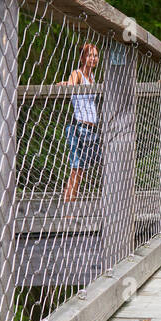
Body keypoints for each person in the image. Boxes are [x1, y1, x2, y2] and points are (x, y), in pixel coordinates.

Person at [62, 42, 100, 203]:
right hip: (79, 127)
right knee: (77, 169)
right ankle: (68, 208)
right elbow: (69, 85)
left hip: (91, 129)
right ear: (83, 57)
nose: (93, 58)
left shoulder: (92, 78)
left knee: (81, 170)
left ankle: (70, 205)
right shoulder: (77, 74)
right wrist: (64, 84)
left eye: (96, 55)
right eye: (90, 55)